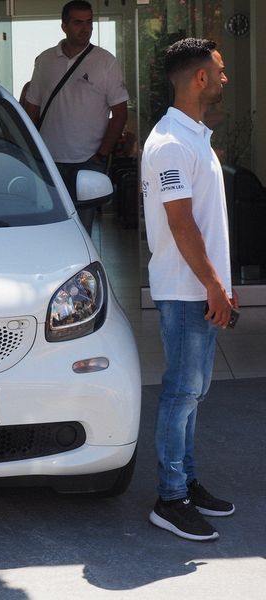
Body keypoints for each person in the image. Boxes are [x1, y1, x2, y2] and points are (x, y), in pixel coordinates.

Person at [141, 37, 238, 542]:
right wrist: (213, 284)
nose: (225, 78)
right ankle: (170, 497)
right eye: (219, 70)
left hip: (199, 289)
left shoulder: (192, 135)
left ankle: (187, 480)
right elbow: (181, 225)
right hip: (185, 291)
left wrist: (218, 285)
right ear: (200, 77)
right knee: (181, 392)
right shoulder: (171, 143)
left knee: (193, 392)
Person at [24, 0, 128, 233]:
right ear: (64, 26)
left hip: (88, 161)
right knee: (50, 228)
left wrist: (101, 154)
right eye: (78, 22)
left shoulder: (106, 61)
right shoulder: (45, 60)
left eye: (89, 22)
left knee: (83, 230)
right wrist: (31, 152)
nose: (86, 28)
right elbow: (32, 109)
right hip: (49, 161)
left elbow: (120, 113)